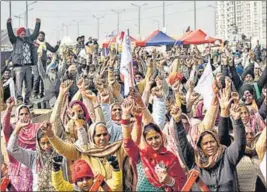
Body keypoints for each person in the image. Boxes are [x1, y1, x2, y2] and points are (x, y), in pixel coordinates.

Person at [172, 100, 246, 191]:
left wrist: (237, 120)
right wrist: (177, 122)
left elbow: (240, 144)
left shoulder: (227, 156)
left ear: (217, 143)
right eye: (205, 143)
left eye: (212, 142)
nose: (209, 145)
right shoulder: (194, 161)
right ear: (200, 147)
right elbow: (182, 144)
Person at [121, 99, 187, 191]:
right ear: (145, 140)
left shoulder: (171, 157)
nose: (154, 141)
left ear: (162, 136)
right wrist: (125, 115)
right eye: (150, 139)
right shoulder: (141, 155)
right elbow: (127, 142)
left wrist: (169, 181)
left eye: (156, 137)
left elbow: (183, 184)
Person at [2, 97, 41, 191]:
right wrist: (9, 108)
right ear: (17, 116)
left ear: (30, 115)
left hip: (34, 168)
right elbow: (5, 126)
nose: (24, 116)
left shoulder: (37, 128)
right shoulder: (14, 129)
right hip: (17, 172)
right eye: (21, 114)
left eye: (26, 113)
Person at [7, 121, 58, 191]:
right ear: (38, 143)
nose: (46, 146)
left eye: (49, 142)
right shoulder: (33, 157)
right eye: (43, 143)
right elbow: (11, 149)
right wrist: (17, 129)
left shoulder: (58, 155)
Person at [6, 17, 41, 105]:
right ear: (18, 34)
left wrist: (37, 24)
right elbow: (10, 34)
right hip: (18, 67)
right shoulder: (15, 40)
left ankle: (27, 99)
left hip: (28, 66)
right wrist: (9, 24)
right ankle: (19, 99)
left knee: (29, 85)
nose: (23, 33)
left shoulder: (29, 39)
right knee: (19, 85)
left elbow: (35, 33)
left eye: (24, 32)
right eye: (21, 33)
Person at [52, 157, 122, 191]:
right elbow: (59, 185)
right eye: (80, 180)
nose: (85, 182)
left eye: (88, 178)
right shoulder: (73, 189)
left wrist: (116, 168)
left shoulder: (100, 187)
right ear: (75, 182)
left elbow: (115, 185)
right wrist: (56, 169)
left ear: (92, 178)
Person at [32, 31, 60, 99]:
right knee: (37, 77)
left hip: (43, 62)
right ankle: (35, 93)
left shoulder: (46, 44)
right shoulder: (34, 43)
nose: (41, 37)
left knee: (43, 78)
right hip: (35, 63)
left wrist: (58, 45)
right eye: (40, 36)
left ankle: (42, 93)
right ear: (37, 36)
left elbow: (53, 50)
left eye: (43, 36)